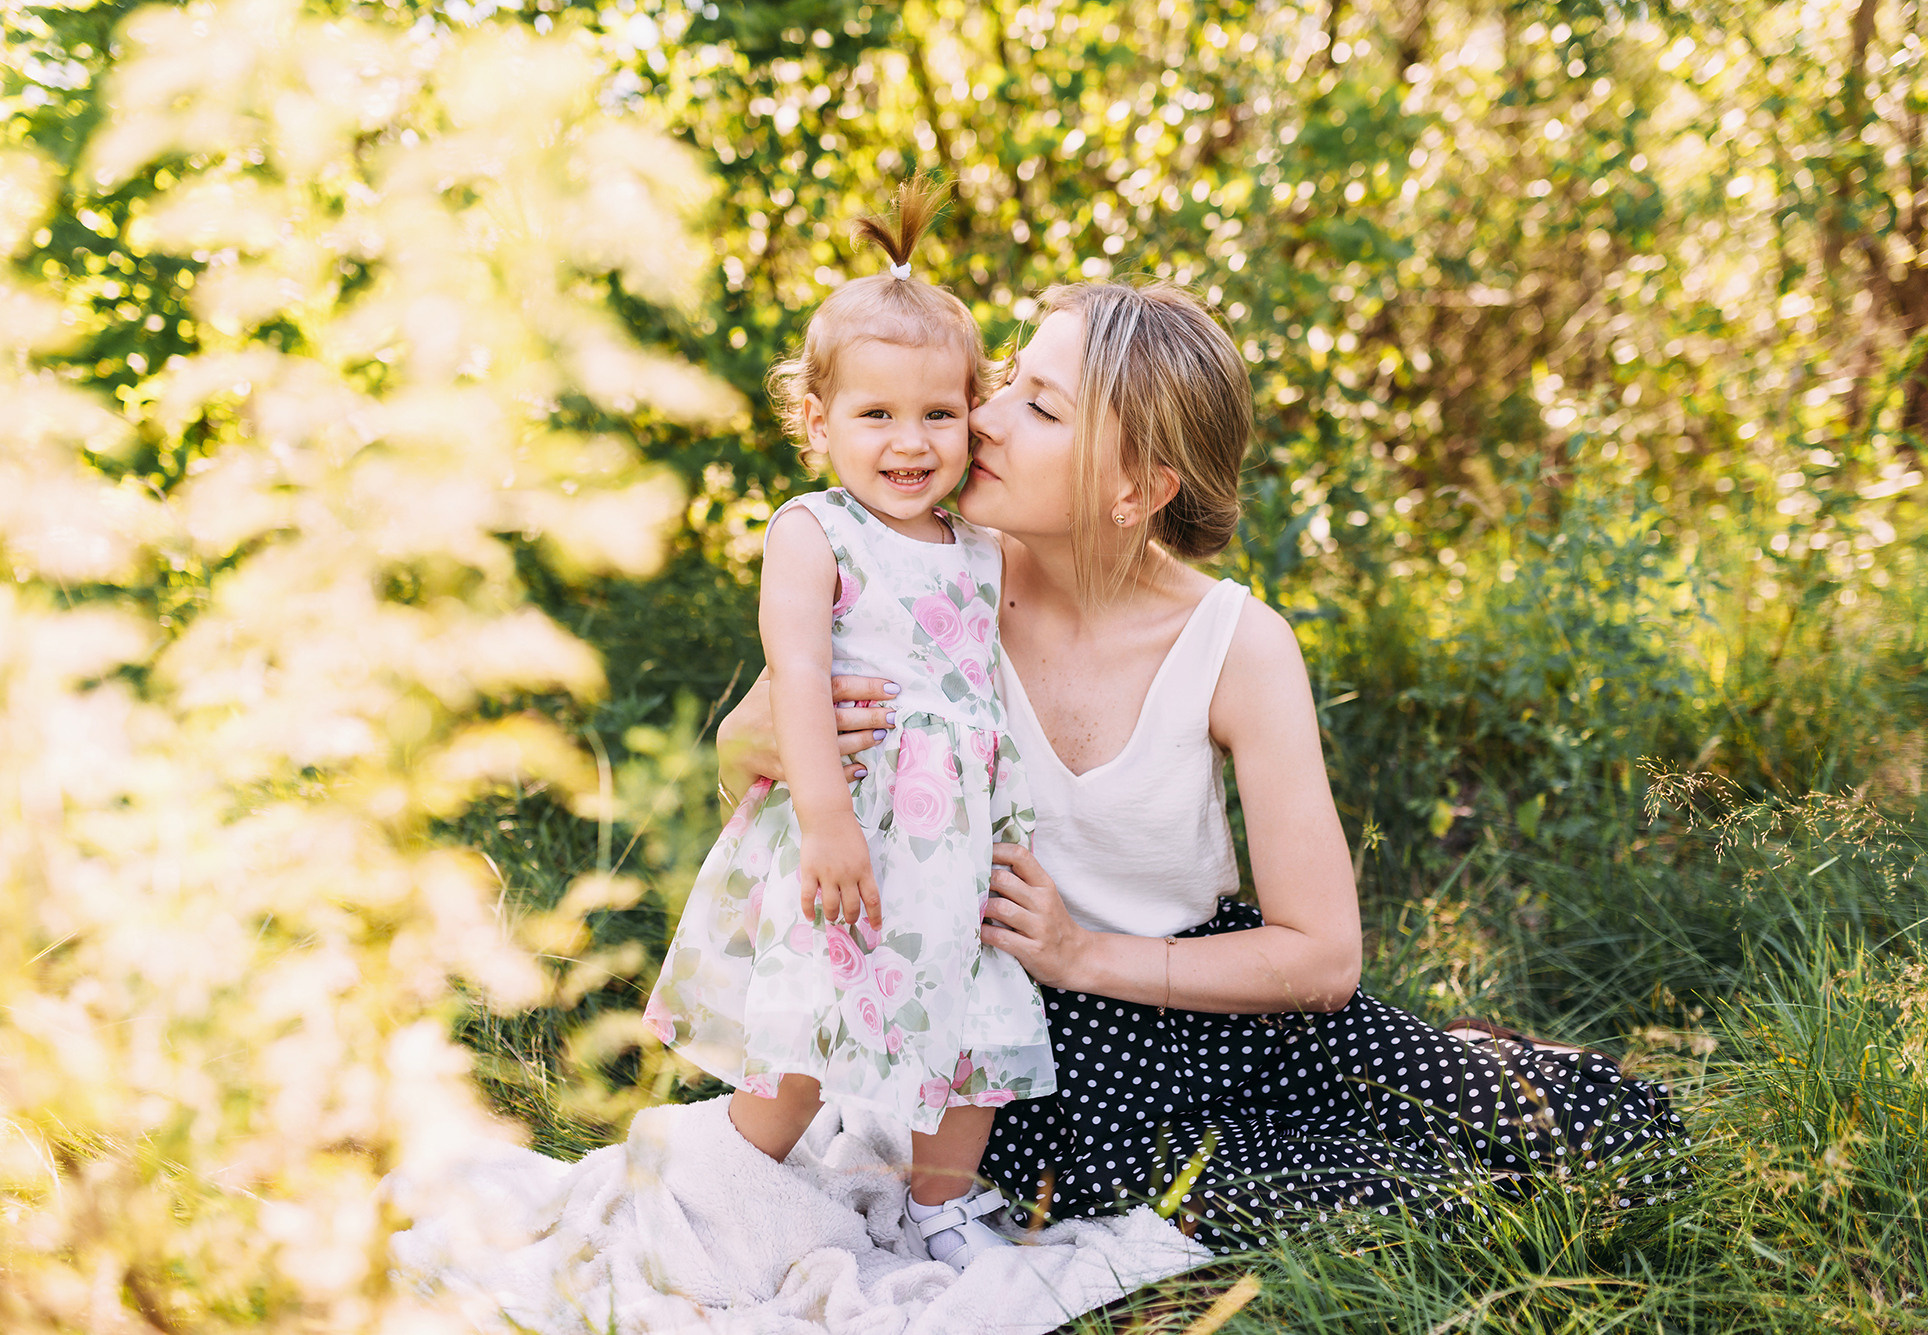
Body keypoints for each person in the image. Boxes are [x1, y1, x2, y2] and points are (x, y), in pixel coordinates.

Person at [713, 278, 1693, 1253]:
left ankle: (1484, 1062)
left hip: (1216, 1000)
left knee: (1608, 1142)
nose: (983, 415)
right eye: (1005, 382)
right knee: (1389, 1216)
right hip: (1054, 1051)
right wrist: (749, 753)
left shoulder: (1236, 645)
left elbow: (1320, 958)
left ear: (1133, 490)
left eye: (1039, 406)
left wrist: (1086, 952)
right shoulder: (920, 580)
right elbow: (761, 772)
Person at [642, 180, 1053, 1270]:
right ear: (816, 421)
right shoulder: (810, 531)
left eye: (938, 414)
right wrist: (825, 820)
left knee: (973, 1032)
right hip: (855, 834)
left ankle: (940, 1203)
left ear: (975, 415)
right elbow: (797, 674)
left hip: (957, 852)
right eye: (875, 415)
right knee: (805, 1035)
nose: (909, 442)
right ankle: (727, 1171)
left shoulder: (981, 545)